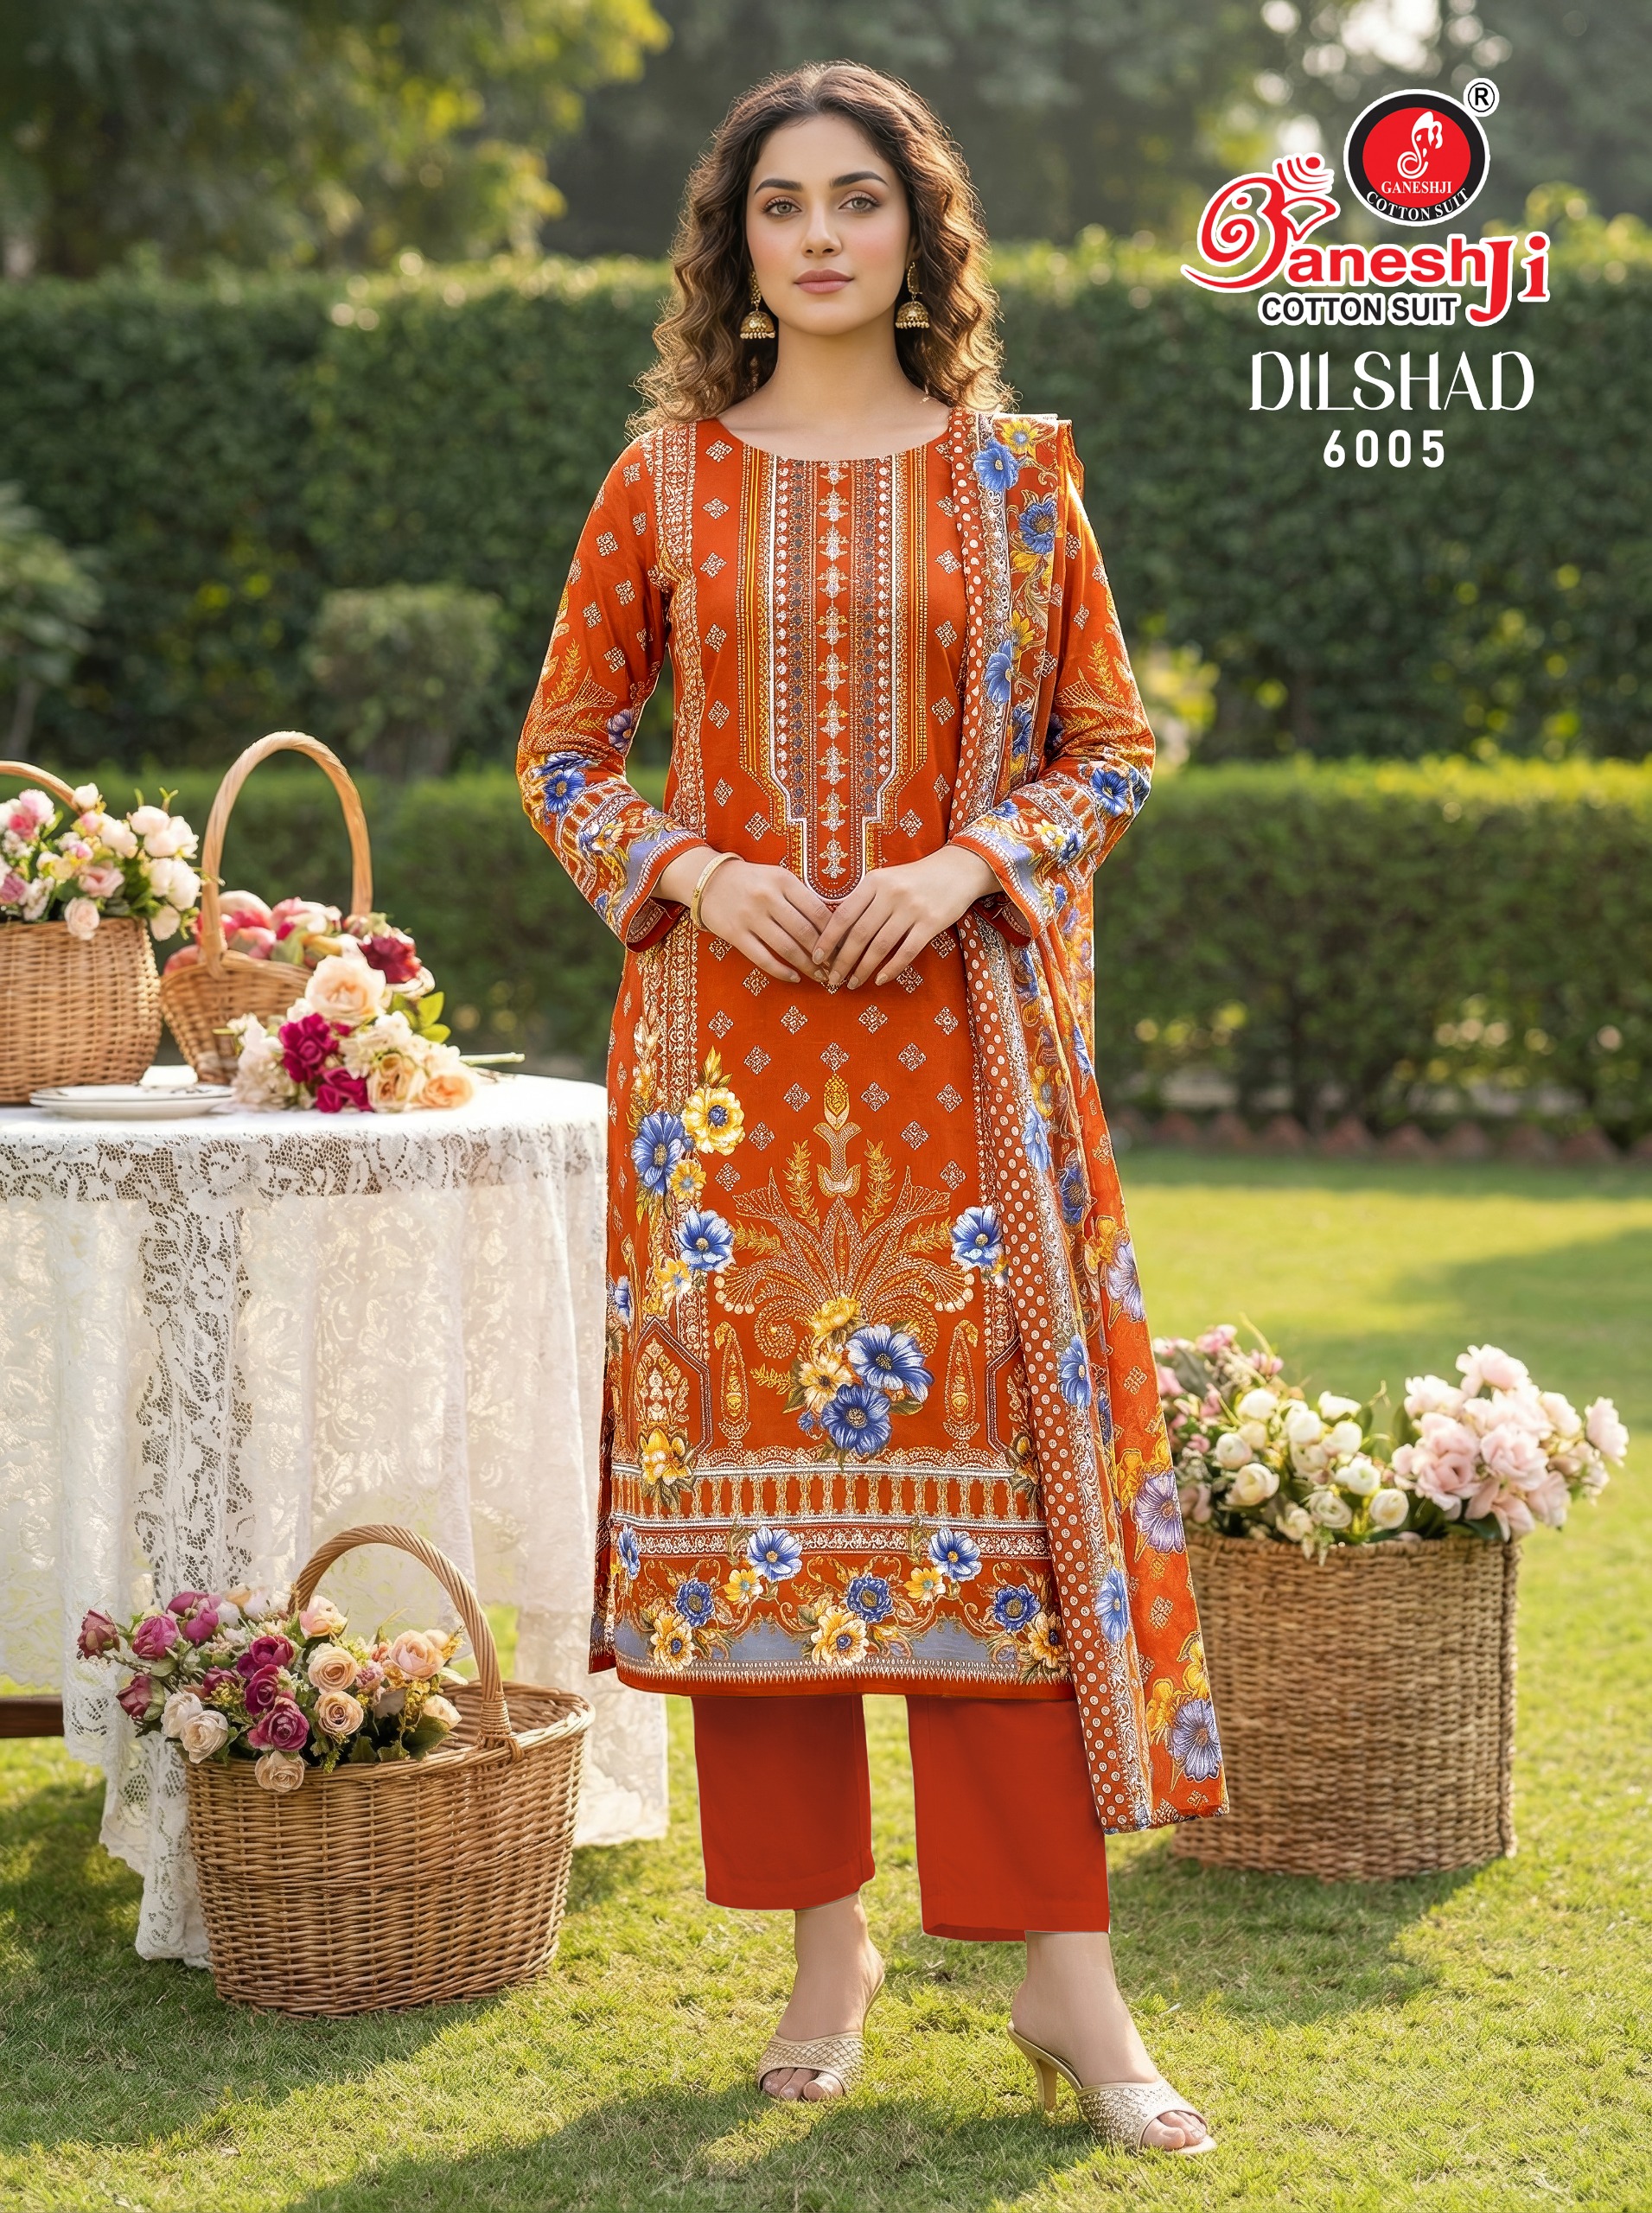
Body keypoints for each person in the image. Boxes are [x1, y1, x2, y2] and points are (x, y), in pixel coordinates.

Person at [517, 60, 1224, 2156]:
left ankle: (1062, 1975)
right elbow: (565, 749)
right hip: (726, 1086)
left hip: (962, 1066)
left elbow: (1108, 745)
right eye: (779, 206)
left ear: (919, 233)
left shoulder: (1016, 475)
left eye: (855, 200)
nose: (818, 236)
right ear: (732, 248)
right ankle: (824, 1953)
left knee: (999, 1516)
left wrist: (958, 865)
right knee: (770, 1538)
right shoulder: (662, 480)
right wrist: (699, 872)